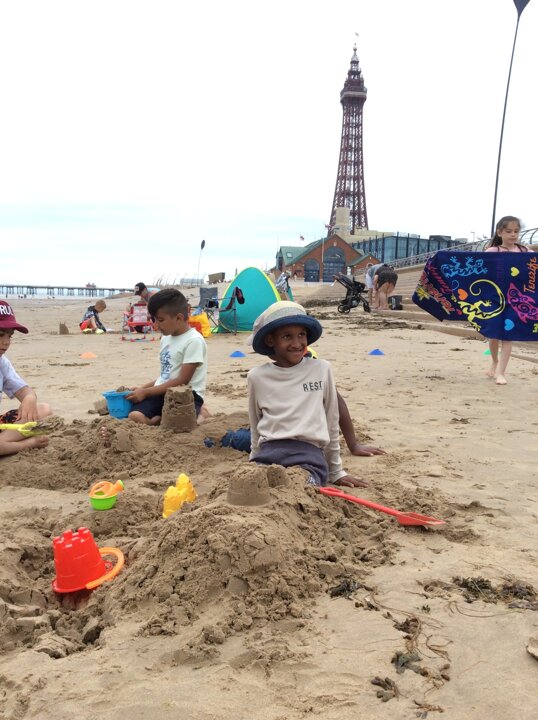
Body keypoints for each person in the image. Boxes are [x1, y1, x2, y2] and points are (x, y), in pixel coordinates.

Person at [247, 301, 370, 488]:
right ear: (270, 341)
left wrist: (336, 471)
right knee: (251, 486)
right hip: (269, 451)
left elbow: (331, 420)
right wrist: (253, 463)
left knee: (302, 485)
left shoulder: (321, 369)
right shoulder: (257, 377)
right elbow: (255, 425)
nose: (297, 343)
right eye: (287, 336)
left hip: (309, 455)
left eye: (301, 334)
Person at [125, 288, 207, 425]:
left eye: (160, 320)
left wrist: (146, 392)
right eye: (154, 320)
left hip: (186, 395)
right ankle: (157, 420)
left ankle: (201, 414)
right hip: (162, 392)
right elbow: (166, 376)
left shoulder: (194, 341)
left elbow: (182, 380)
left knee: (179, 423)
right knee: (134, 415)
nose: (156, 325)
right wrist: (142, 388)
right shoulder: (166, 338)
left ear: (179, 318)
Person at [0, 301, 52, 456]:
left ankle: (4, 443)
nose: (6, 342)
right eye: (0, 335)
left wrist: (29, 398)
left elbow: (24, 390)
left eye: (10, 336)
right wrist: (30, 443)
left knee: (44, 409)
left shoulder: (2, 362)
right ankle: (26, 443)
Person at [485, 215, 530, 385]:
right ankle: (494, 361)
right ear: (500, 232)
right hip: (495, 298)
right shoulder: (493, 251)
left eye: (516, 231)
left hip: (515, 299)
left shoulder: (524, 251)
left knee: (508, 335)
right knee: (494, 335)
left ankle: (501, 372)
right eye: (509, 231)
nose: (513, 234)